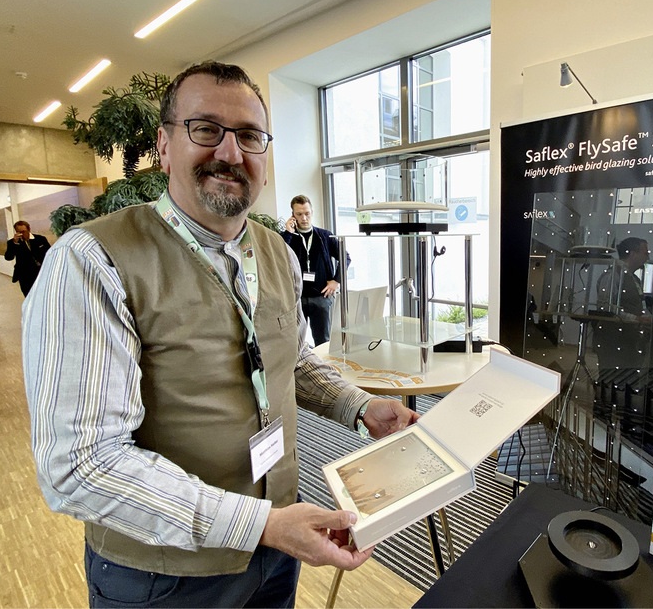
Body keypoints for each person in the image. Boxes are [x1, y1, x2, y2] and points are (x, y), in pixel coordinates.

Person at [23, 61, 419, 608]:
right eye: (206, 129)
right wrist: (261, 524)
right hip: (164, 578)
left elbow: (293, 360)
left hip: (279, 546)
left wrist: (359, 406)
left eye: (250, 136)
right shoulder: (92, 261)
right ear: (164, 146)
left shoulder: (274, 249)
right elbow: (81, 464)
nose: (230, 153)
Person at [282, 195, 349, 346]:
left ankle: (324, 368)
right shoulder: (289, 237)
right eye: (299, 214)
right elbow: (278, 256)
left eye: (307, 213)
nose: (304, 218)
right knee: (294, 341)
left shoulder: (324, 236)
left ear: (312, 212)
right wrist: (288, 233)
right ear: (293, 215)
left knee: (323, 340)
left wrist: (336, 281)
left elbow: (345, 257)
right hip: (295, 298)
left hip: (321, 296)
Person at [593, 237, 653, 370]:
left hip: (630, 341)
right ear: (632, 254)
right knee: (611, 381)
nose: (648, 257)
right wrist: (637, 319)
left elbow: (639, 305)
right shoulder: (613, 275)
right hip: (613, 340)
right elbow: (606, 309)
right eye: (645, 253)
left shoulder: (634, 278)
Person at [4, 220, 50, 296]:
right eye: (19, 232)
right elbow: (8, 257)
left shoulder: (40, 239)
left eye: (23, 231)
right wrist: (15, 243)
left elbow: (49, 254)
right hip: (25, 275)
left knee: (43, 294)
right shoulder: (12, 242)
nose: (21, 234)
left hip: (41, 272)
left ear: (29, 229)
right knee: (29, 296)